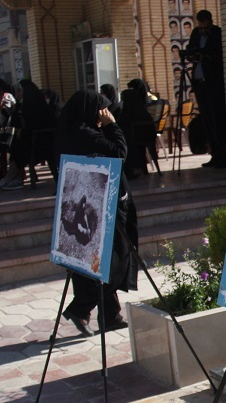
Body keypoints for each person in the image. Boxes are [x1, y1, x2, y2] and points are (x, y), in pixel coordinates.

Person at [55, 89, 139, 335]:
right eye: (100, 110)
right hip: (99, 209)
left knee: (95, 259)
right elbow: (119, 152)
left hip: (83, 209)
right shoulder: (85, 134)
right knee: (114, 259)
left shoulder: (71, 131)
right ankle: (80, 308)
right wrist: (112, 126)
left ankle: (110, 315)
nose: (104, 115)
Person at [187, 9, 226, 167]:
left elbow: (218, 55)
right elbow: (191, 50)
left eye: (205, 27)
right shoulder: (196, 34)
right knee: (206, 120)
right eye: (201, 27)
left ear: (210, 22)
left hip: (213, 84)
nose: (203, 31)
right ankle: (214, 154)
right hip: (200, 84)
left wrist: (205, 55)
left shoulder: (217, 33)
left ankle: (223, 155)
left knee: (217, 119)